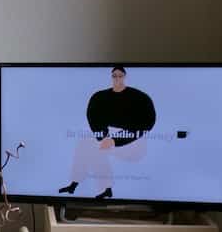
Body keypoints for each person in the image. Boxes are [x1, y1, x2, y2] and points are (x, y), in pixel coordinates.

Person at [58, 65, 156, 200]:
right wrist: (103, 137)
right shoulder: (100, 97)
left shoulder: (140, 98)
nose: (117, 79)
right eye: (114, 76)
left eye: (120, 76)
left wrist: (115, 140)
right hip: (106, 138)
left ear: (125, 77)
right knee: (87, 145)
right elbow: (93, 116)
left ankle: (104, 188)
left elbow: (147, 122)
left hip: (133, 142)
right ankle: (76, 184)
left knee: (93, 148)